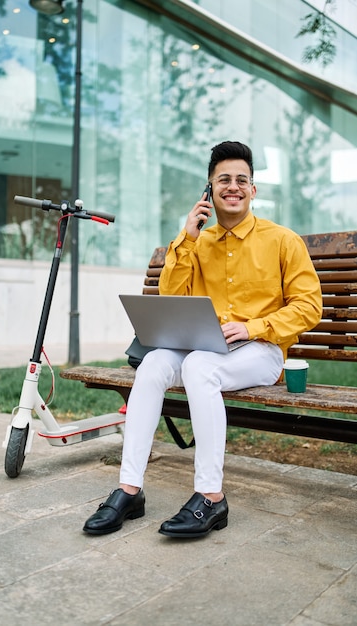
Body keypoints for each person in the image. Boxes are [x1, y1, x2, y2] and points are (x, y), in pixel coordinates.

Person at [83, 140, 323, 539]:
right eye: (223, 179)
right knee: (156, 362)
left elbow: (308, 307)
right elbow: (172, 298)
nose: (234, 186)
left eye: (241, 180)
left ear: (253, 190)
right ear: (209, 190)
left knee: (198, 366)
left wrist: (253, 327)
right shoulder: (198, 243)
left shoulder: (282, 240)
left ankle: (211, 496)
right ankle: (129, 489)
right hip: (208, 348)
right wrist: (187, 238)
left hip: (260, 352)